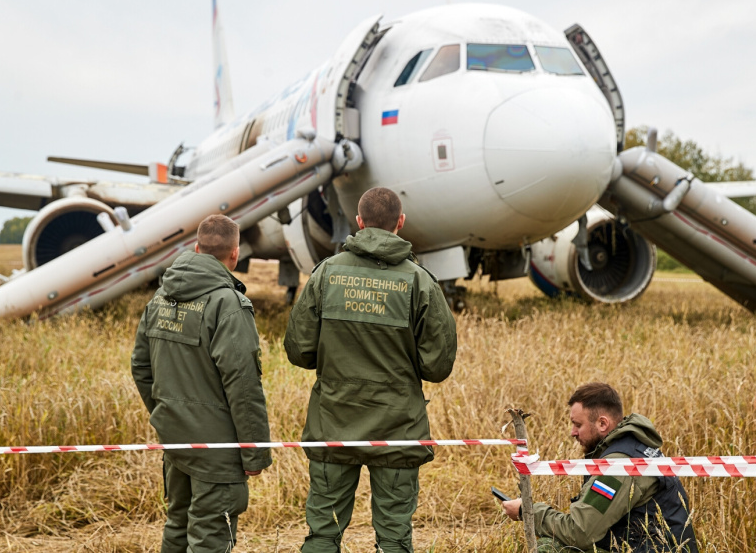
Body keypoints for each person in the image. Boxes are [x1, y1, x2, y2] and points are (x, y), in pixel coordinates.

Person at [284, 187, 458, 553]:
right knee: (394, 538)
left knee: (322, 535)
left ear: (358, 222)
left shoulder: (326, 274)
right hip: (397, 429)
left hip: (334, 423)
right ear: (401, 222)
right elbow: (438, 366)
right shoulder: (419, 281)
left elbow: (299, 350)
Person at [132, 214, 272, 552]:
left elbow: (140, 367)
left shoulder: (160, 299)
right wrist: (254, 453)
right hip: (216, 451)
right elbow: (242, 385)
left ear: (196, 248)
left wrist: (169, 414)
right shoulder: (228, 305)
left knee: (178, 526)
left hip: (176, 441)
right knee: (210, 537)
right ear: (235, 255)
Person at [502, 382, 698, 553]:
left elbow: (580, 533)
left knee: (549, 548)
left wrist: (527, 511)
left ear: (603, 423)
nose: (572, 433)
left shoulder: (619, 465)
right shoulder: (634, 447)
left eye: (577, 424)